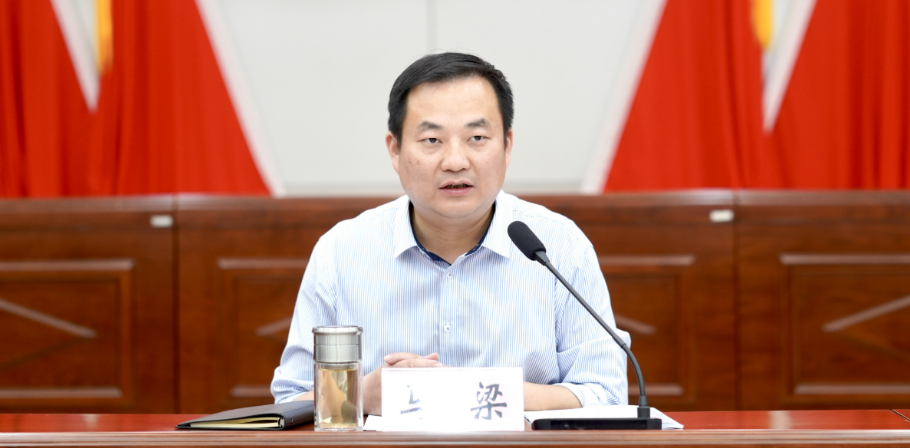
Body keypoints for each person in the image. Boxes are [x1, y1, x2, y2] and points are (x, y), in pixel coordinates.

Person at [271, 52, 629, 414]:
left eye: (477, 137)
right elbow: (289, 400)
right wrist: (359, 394)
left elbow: (606, 394)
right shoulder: (341, 252)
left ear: (507, 146)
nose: (456, 161)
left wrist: (464, 391)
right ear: (395, 150)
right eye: (432, 140)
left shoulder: (561, 247)